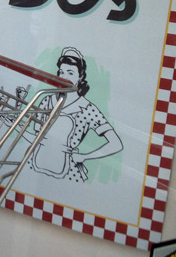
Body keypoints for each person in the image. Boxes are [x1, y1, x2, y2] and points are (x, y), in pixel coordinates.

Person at [26, 46, 123, 182]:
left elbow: (116, 143)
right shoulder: (47, 99)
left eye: (70, 73)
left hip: (69, 173)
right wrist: (13, 125)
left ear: (80, 77)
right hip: (35, 164)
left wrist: (85, 156)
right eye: (61, 72)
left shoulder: (87, 109)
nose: (64, 77)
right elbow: (37, 139)